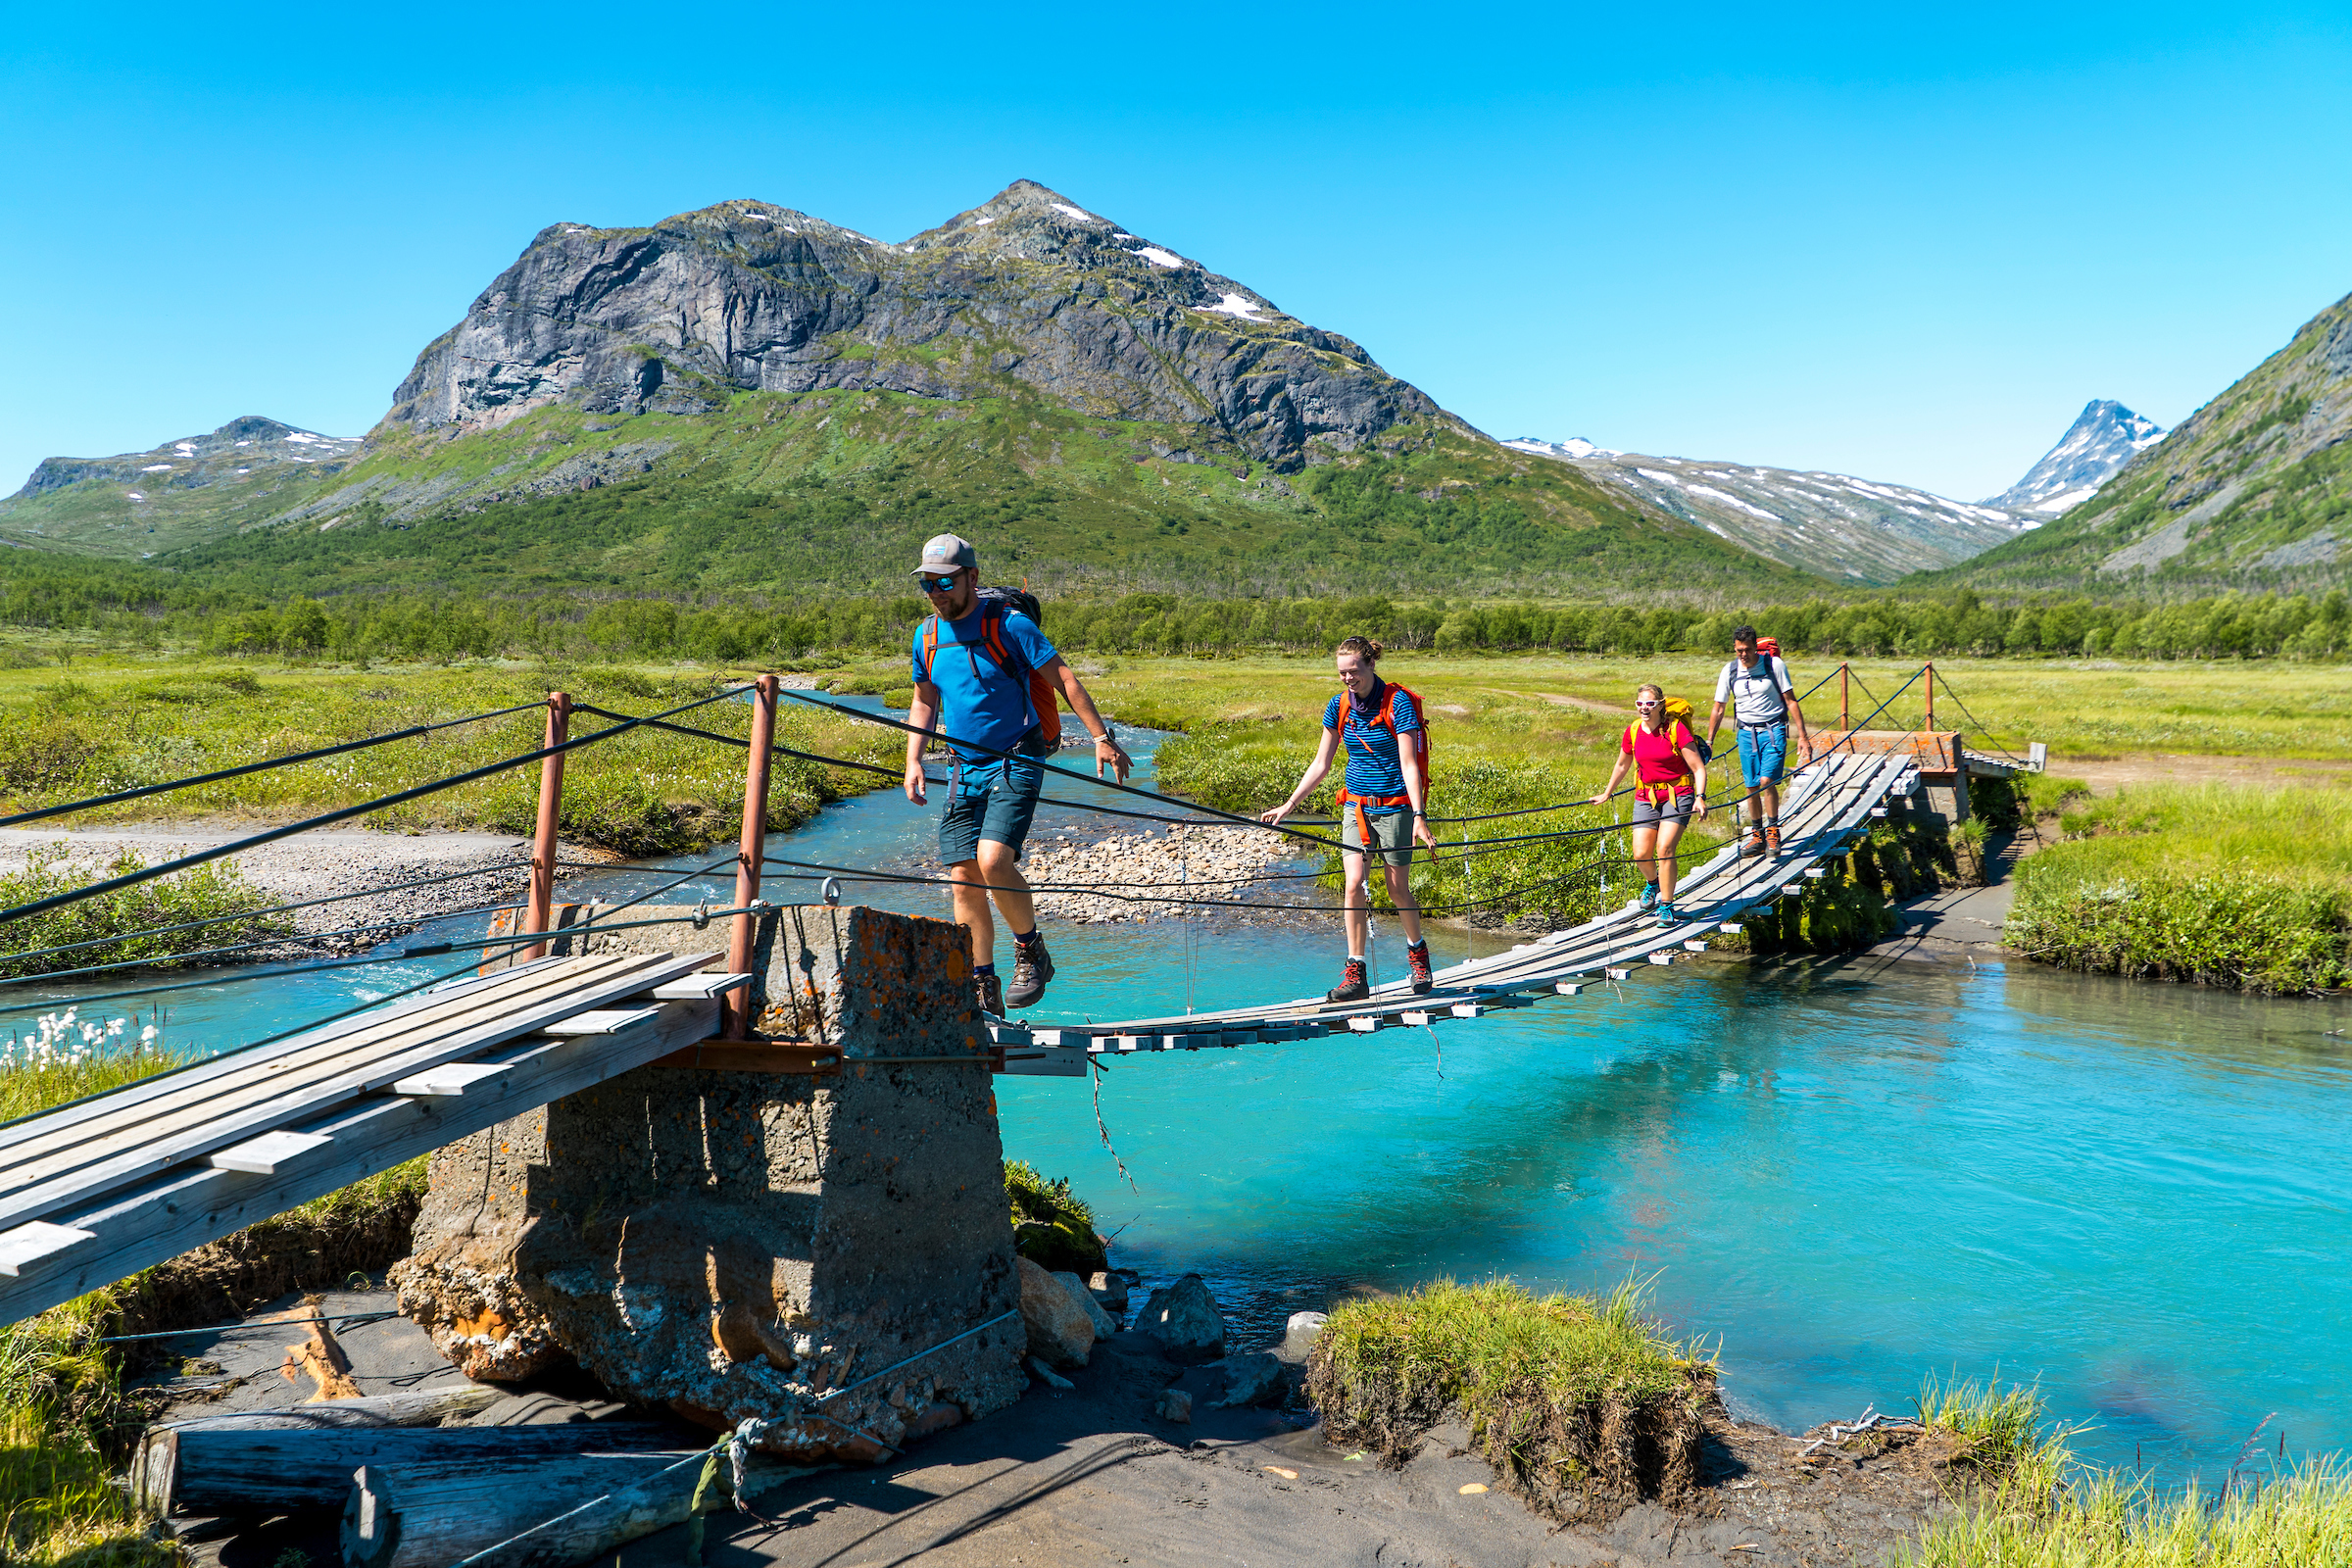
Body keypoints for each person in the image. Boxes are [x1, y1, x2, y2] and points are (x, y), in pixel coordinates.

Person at [902, 534, 1132, 1014]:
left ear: (971, 577)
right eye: (927, 583)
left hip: (1016, 754)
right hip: (963, 763)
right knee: (962, 876)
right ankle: (982, 982)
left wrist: (1100, 737)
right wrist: (913, 760)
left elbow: (1063, 678)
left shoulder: (1010, 625)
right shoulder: (927, 636)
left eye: (945, 581)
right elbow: (924, 701)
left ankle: (1031, 952)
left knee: (991, 861)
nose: (937, 592)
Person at [1259, 636, 1438, 1002]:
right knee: (1353, 884)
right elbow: (1321, 763)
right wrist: (1289, 805)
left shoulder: (1397, 703)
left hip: (1396, 805)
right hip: (1355, 806)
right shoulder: (1338, 706)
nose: (1348, 678)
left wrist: (1419, 816)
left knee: (1396, 887)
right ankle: (1355, 973)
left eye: (1354, 671)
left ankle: (1418, 956)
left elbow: (1408, 765)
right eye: (1342, 673)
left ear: (1371, 665)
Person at [1587, 683, 1709, 924]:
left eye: (1650, 704)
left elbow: (1698, 768)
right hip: (1646, 795)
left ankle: (1666, 905)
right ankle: (1653, 885)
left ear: (1660, 705)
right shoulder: (1633, 730)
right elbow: (1622, 765)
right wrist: (1607, 793)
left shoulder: (1676, 729)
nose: (1644, 708)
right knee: (1641, 853)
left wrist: (1700, 797)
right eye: (1640, 703)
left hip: (1678, 793)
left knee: (1664, 849)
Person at [1703, 626, 1813, 858]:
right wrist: (1709, 741)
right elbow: (1719, 707)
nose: (1743, 655)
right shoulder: (1730, 670)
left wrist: (1802, 737)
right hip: (1745, 733)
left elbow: (1791, 701)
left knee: (1766, 780)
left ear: (1756, 647)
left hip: (1773, 730)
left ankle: (1773, 831)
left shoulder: (1774, 665)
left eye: (1747, 650)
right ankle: (1757, 835)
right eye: (1738, 650)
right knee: (1751, 785)